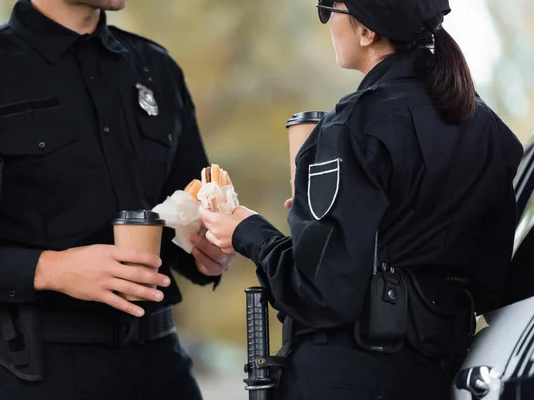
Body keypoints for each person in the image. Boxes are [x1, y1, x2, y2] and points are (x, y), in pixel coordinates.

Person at [200, 0, 524, 399]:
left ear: (366, 30)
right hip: (438, 378)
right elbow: (491, 285)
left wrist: (246, 231)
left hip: (344, 376)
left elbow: (320, 292)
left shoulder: (355, 124)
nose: (326, 22)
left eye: (327, 9)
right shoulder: (490, 129)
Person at [0, 0, 233, 399]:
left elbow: (186, 219)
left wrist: (210, 250)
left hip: (163, 366)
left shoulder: (156, 68)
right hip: (38, 373)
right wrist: (49, 269)